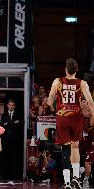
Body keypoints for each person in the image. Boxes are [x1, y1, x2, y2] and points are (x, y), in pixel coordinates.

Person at [47, 58, 94, 189]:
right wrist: (93, 117)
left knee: (65, 149)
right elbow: (90, 102)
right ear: (76, 70)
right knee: (75, 147)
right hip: (76, 118)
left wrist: (51, 104)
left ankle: (67, 182)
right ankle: (76, 178)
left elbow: (50, 100)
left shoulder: (57, 81)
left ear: (65, 70)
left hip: (62, 118)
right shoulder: (82, 83)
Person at [0, 99, 23, 180]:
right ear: (7, 105)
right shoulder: (3, 115)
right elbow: (2, 127)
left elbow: (19, 127)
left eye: (12, 105)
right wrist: (12, 124)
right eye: (10, 105)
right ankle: (4, 176)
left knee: (14, 157)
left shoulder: (18, 115)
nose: (11, 106)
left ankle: (14, 176)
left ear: (14, 106)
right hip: (5, 140)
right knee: (5, 157)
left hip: (15, 141)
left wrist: (8, 124)